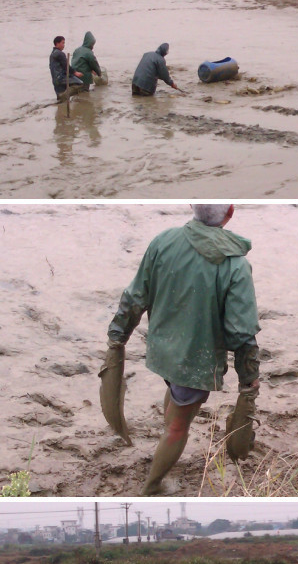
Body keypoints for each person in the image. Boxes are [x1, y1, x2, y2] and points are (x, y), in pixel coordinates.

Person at [99, 201, 260, 489]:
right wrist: (249, 381)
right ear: (230, 212)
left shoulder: (164, 240)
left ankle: (166, 433)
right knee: (177, 427)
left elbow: (135, 297)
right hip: (194, 361)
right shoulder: (236, 265)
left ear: (192, 207)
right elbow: (241, 333)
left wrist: (117, 337)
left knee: (175, 398)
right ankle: (151, 486)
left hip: (162, 350)